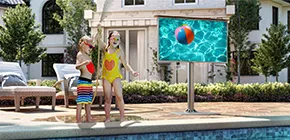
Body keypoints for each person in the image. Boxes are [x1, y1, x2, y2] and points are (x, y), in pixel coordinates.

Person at [95, 30, 139, 122]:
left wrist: (132, 71)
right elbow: (97, 39)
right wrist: (98, 30)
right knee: (108, 98)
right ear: (109, 39)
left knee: (119, 96)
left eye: (118, 39)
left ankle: (122, 117)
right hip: (106, 77)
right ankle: (107, 118)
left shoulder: (119, 52)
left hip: (116, 77)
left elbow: (125, 63)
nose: (115, 40)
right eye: (113, 38)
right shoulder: (105, 49)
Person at [75, 35, 95, 123]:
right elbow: (77, 67)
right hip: (83, 81)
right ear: (83, 44)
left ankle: (88, 117)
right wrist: (84, 63)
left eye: (92, 47)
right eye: (89, 46)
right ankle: (78, 119)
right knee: (80, 101)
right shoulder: (80, 55)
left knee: (88, 101)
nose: (91, 48)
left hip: (88, 81)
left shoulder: (88, 55)